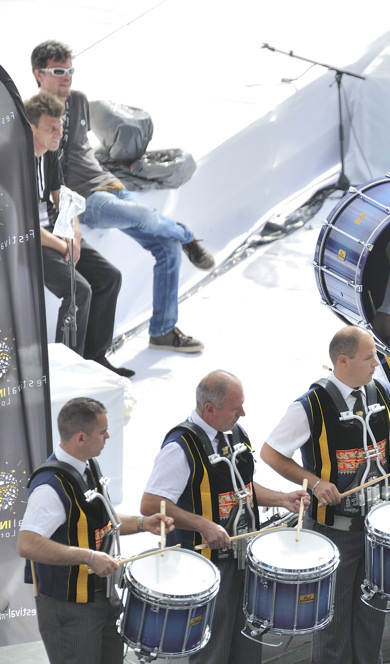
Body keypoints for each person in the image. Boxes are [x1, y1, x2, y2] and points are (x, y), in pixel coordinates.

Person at [260, 326, 390, 663]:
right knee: (331, 622)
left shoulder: (381, 393)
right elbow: (271, 453)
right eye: (369, 357)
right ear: (343, 361)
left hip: (376, 531)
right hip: (334, 533)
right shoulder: (311, 405)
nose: (377, 362)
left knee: (372, 616)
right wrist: (314, 483)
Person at [31, 40, 213, 353]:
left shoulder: (78, 100)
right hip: (86, 198)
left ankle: (163, 330)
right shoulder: (34, 116)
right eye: (59, 71)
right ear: (39, 74)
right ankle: (187, 236)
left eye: (70, 70)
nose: (67, 77)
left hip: (109, 185)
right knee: (147, 219)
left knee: (164, 245)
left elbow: (82, 151)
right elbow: (48, 176)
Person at [141, 370, 309, 663]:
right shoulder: (180, 447)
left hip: (244, 560)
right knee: (213, 650)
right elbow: (151, 504)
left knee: (247, 644)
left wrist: (281, 498)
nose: (242, 413)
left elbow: (242, 487)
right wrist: (202, 524)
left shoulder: (235, 434)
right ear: (209, 409)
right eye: (235, 408)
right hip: (207, 567)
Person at [18, 397, 174, 664]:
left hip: (102, 597)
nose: (108, 436)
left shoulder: (88, 466)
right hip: (70, 609)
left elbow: (103, 521)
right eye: (102, 432)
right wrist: (89, 557)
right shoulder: (49, 487)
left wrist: (141, 524)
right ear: (81, 437)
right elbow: (28, 544)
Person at [26, 91, 133, 377]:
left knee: (110, 277)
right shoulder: (13, 162)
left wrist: (72, 231)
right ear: (31, 127)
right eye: (51, 128)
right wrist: (60, 244)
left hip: (54, 232)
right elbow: (20, 222)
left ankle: (95, 357)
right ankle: (66, 372)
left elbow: (62, 195)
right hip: (28, 239)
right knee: (78, 291)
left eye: (60, 126)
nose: (59, 133)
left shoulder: (49, 154)